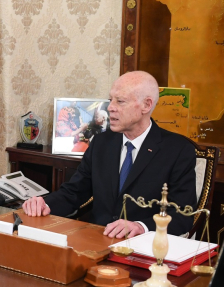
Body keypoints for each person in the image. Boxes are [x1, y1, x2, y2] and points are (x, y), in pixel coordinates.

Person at [23, 71, 197, 238]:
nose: (110, 107)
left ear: (146, 105)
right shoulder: (101, 142)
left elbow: (182, 215)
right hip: (97, 240)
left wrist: (141, 227)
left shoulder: (178, 150)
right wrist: (45, 204)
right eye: (110, 100)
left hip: (144, 247)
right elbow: (74, 192)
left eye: (120, 101)